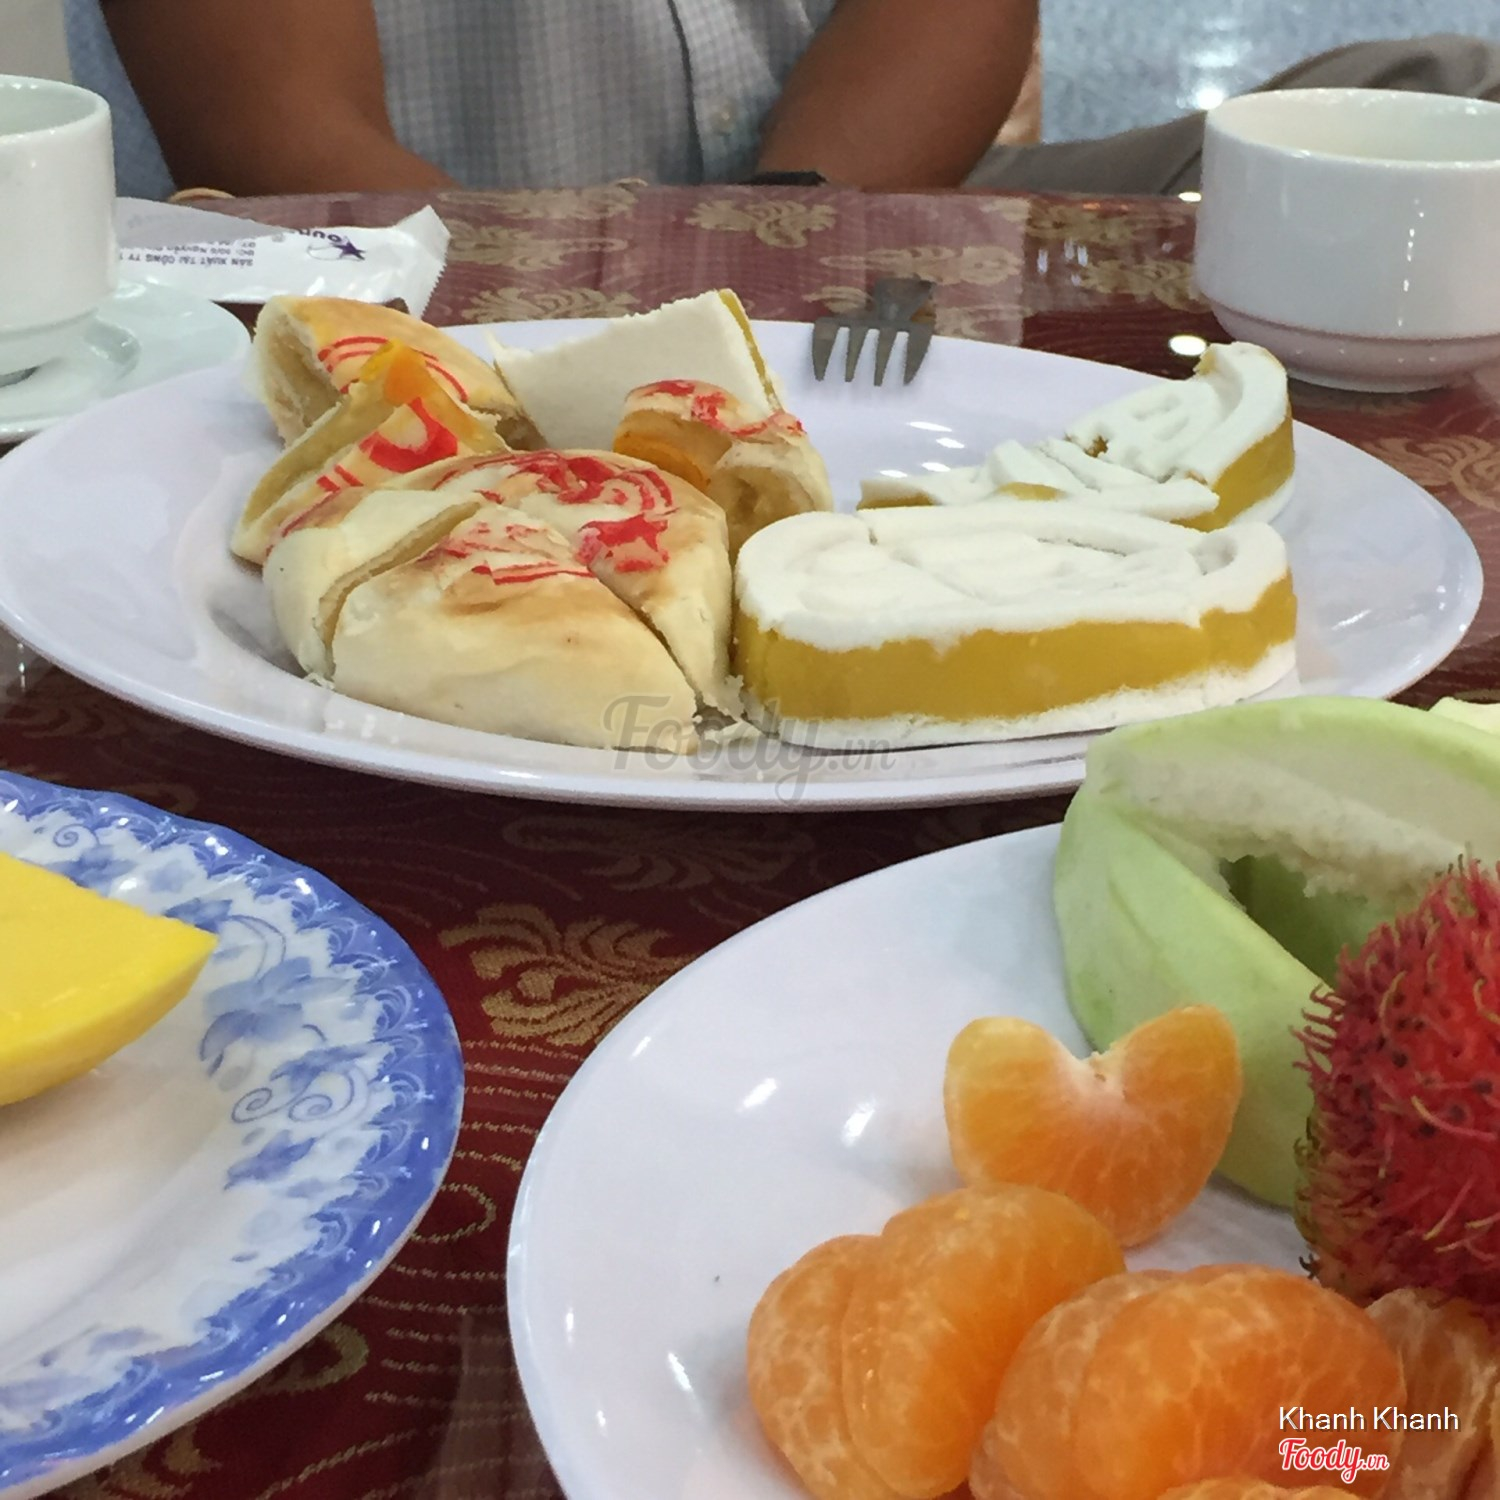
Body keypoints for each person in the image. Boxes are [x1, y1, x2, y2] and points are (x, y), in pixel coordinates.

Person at [92, 0, 1500, 199]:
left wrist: (790, 235)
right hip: (427, 281)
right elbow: (283, 142)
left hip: (851, 226)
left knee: (1465, 96)